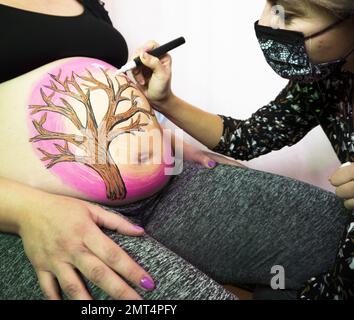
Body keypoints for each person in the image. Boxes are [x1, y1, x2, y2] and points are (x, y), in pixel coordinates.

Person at [0, 0, 347, 300]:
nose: (270, 22)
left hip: (167, 190)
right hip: (23, 218)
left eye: (289, 13)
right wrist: (30, 211)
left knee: (335, 234)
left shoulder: (88, 3)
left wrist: (160, 139)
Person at [131, 0, 353, 299]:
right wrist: (163, 100)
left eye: (290, 15)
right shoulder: (326, 81)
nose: (268, 23)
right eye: (271, 5)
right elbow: (248, 137)